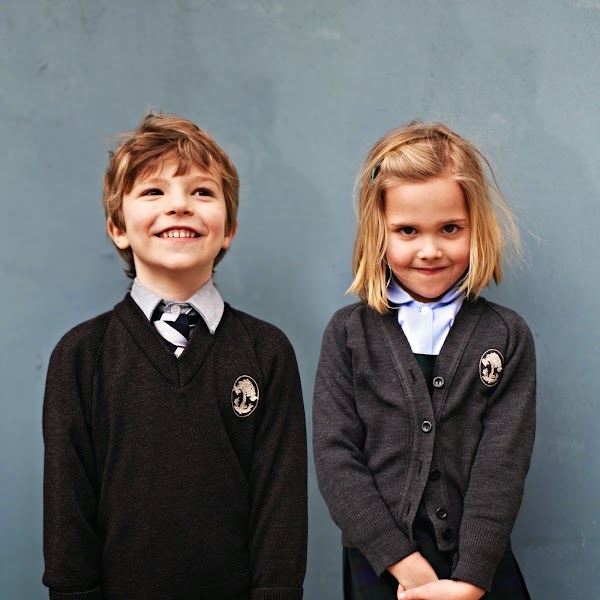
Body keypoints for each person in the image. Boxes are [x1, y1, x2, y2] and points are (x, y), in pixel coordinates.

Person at [43, 113, 307, 600]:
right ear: (118, 228)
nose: (179, 205)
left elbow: (281, 505)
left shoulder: (267, 352)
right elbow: (67, 511)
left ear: (228, 229)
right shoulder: (80, 356)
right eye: (153, 191)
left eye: (202, 192)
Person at [313, 121, 535, 600]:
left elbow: (501, 465)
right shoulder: (348, 334)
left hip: (478, 567)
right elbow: (336, 459)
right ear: (379, 232)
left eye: (450, 228)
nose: (429, 250)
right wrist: (405, 565)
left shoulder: (506, 335)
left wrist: (471, 578)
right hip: (382, 565)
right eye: (407, 230)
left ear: (476, 226)